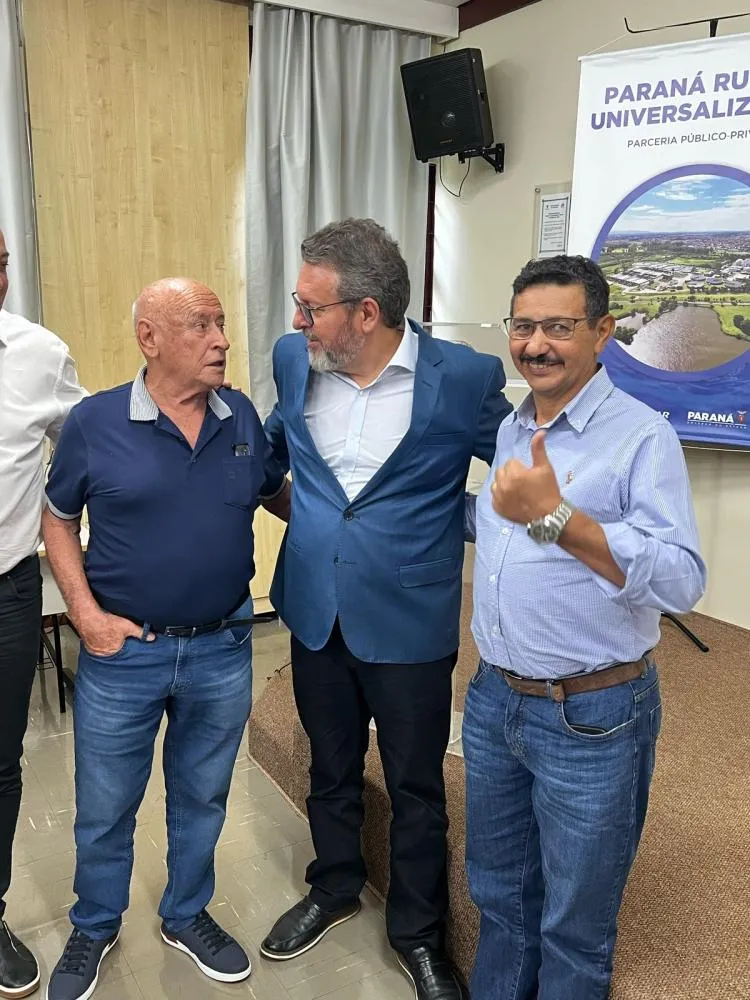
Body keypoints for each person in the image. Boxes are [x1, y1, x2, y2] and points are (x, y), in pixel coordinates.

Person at [259, 218, 512, 1000]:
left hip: (410, 617)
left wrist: (456, 522)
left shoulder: (464, 378)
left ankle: (418, 933)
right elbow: (271, 451)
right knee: (329, 764)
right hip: (315, 608)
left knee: (415, 787)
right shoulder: (294, 359)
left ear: (366, 312)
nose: (297, 319)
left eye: (311, 307)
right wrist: (296, 516)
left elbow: (524, 474)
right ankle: (335, 884)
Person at [463, 255, 706, 1000]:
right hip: (494, 699)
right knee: (500, 898)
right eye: (523, 326)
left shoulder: (641, 437)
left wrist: (559, 517)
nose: (536, 344)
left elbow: (682, 581)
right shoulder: (513, 428)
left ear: (602, 332)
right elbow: (518, 537)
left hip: (591, 716)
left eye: (559, 327)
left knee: (575, 924)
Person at [41, 278, 288, 1000]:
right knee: (106, 804)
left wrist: (351, 527)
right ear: (149, 338)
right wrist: (84, 614)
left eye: (222, 323)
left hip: (222, 647)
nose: (222, 340)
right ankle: (94, 923)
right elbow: (58, 518)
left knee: (203, 795)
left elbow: (273, 491)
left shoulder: (240, 414)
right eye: (201, 325)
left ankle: (186, 914)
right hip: (125, 653)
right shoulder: (94, 422)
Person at [0, 228, 87, 999]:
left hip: (7, 590)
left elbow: (89, 447)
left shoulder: (37, 354)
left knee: (1, 763)